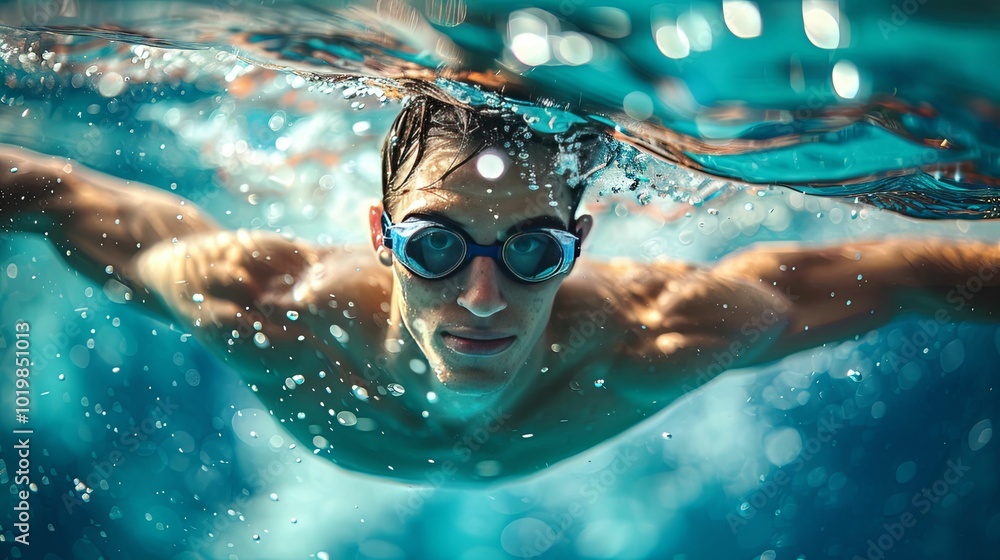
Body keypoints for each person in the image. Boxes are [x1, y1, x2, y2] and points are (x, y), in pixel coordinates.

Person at [2, 95, 999, 482]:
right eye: (437, 247)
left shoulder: (659, 332)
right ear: (381, 239)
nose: (483, 296)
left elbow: (916, 272)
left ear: (578, 243)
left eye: (530, 254)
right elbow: (52, 191)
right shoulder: (265, 302)